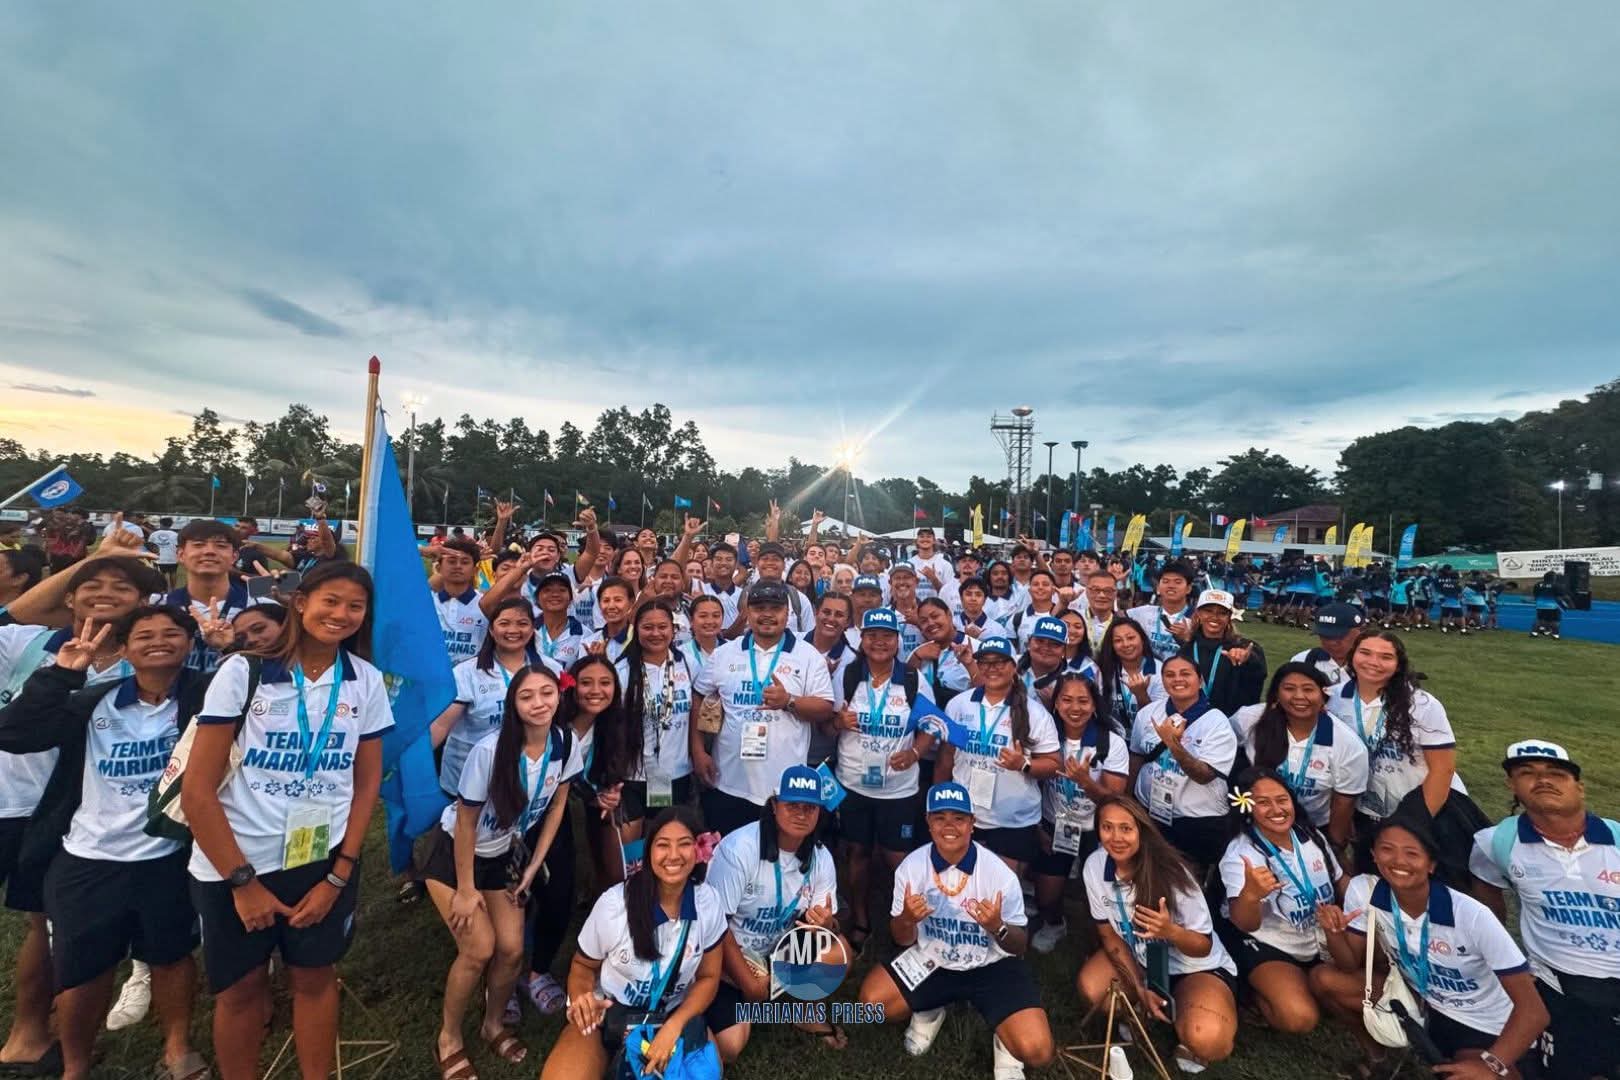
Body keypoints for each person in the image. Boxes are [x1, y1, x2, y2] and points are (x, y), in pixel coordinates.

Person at [181, 561, 395, 1080]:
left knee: (315, 977)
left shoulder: (364, 680)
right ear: (301, 602)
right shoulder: (244, 671)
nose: (341, 614)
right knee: (241, 989)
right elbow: (196, 791)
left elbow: (366, 785)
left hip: (319, 859)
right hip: (236, 862)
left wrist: (339, 874)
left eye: (355, 606)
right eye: (331, 601)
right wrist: (242, 882)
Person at [0, 606, 210, 1080]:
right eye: (144, 635)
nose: (158, 642)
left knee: (172, 954)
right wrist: (63, 673)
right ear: (123, 649)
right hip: (89, 856)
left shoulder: (205, 693)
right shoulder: (92, 701)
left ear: (190, 644)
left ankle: (177, 1048)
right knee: (81, 968)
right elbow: (13, 733)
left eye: (172, 633)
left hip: (169, 854)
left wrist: (226, 647)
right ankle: (75, 1065)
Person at [0, 552, 158, 1071]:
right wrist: (99, 559)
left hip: (73, 809)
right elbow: (14, 613)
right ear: (66, 596)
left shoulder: (148, 660)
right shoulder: (26, 644)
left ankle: (42, 1033)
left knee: (47, 922)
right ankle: (33, 1031)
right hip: (10, 802)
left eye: (123, 588)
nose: (106, 593)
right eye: (92, 586)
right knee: (40, 922)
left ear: (143, 604)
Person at [419, 663, 575, 1074]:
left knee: (511, 949)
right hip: (456, 856)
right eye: (527, 696)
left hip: (505, 854)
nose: (539, 703)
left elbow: (557, 805)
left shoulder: (565, 742)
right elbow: (466, 822)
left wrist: (533, 865)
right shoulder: (489, 751)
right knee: (479, 949)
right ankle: (449, 1037)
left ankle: (491, 1025)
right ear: (513, 705)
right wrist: (467, 890)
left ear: (559, 696)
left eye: (547, 693)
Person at [1313, 817, 1549, 1080]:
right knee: (1325, 980)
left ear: (1431, 863)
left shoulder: (1470, 915)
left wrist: (1491, 1064)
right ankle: (1377, 1060)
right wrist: (1333, 934)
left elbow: (1534, 1012)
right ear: (1374, 855)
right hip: (1423, 1005)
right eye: (1387, 849)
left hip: (1485, 1025)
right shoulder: (1365, 891)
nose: (1398, 861)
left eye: (1412, 853)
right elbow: (1348, 965)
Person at [858, 782, 1054, 1079]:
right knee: (872, 1005)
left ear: (972, 824)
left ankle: (1004, 1038)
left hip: (992, 965)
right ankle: (931, 1009)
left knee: (1037, 1050)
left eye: (959, 818)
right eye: (940, 818)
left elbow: (1019, 946)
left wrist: (997, 927)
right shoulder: (911, 868)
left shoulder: (999, 874)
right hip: (932, 960)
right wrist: (908, 919)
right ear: (928, 822)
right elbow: (902, 939)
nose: (949, 826)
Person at [1470, 740, 1620, 1080]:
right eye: (1527, 773)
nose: (1543, 781)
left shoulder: (1617, 839)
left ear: (1579, 787)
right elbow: (1488, 911)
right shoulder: (1494, 843)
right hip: (1559, 983)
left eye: (1557, 774)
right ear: (1512, 785)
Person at [541, 806, 725, 1080]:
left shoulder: (708, 902)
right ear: (648, 851)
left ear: (697, 851)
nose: (673, 855)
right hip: (610, 1014)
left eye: (684, 844)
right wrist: (581, 998)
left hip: (671, 1013)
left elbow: (709, 977)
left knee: (710, 1073)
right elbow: (581, 965)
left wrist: (673, 1027)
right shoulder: (614, 905)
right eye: (663, 845)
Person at [1079, 796, 1239, 1073]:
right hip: (1140, 957)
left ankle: (1186, 1015)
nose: (1116, 837)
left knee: (1209, 1039)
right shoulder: (1095, 866)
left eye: (1126, 829)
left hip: (1194, 967)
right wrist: (1138, 985)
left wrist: (1170, 931)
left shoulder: (1174, 874)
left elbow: (1202, 945)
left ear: (1142, 830)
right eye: (1107, 827)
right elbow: (1109, 935)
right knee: (1093, 988)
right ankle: (1142, 1004)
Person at [705, 765, 848, 1060]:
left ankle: (796, 1007)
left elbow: (827, 923)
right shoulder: (739, 850)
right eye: (792, 805)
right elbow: (716, 926)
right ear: (773, 806)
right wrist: (747, 982)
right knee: (730, 1046)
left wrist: (827, 925)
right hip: (728, 956)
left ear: (820, 811)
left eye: (810, 807)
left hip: (776, 953)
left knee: (838, 951)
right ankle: (750, 997)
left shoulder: (821, 857)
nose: (801, 813)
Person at [1324, 630, 1481, 883]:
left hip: (1428, 811)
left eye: (1385, 657)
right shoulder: (1334, 699)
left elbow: (1442, 769)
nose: (1373, 662)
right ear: (1353, 656)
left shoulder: (1421, 704)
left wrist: (1417, 821)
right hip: (1369, 811)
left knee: (1434, 886)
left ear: (1398, 664)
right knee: (1377, 885)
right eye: (1365, 653)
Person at [690, 580, 835, 835]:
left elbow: (824, 708)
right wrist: (698, 751)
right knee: (728, 858)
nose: (767, 615)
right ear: (747, 612)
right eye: (759, 608)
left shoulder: (808, 655)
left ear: (787, 613)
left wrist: (789, 701)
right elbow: (699, 696)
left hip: (784, 787)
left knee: (774, 860)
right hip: (729, 783)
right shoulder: (725, 653)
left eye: (775, 608)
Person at [834, 608, 942, 951]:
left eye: (887, 636)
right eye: (872, 635)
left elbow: (931, 724)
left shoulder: (912, 678)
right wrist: (838, 723)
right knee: (858, 855)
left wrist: (913, 754)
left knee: (900, 858)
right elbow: (827, 721)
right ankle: (862, 919)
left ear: (898, 641)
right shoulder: (847, 675)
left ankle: (907, 922)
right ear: (862, 641)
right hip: (853, 784)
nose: (879, 642)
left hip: (899, 789)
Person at [1216, 768, 1348, 1036]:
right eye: (1263, 802)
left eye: (1282, 799)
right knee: (1299, 1018)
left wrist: (1369, 905)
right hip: (1268, 943)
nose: (1276, 809)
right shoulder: (1241, 854)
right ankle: (1252, 994)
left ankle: (1300, 983)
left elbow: (1340, 879)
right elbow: (1245, 922)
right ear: (1247, 808)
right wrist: (1252, 894)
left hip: (1320, 939)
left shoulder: (1311, 836)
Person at [935, 637, 1061, 875]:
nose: (992, 668)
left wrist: (1023, 764)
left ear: (1013, 666)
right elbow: (946, 758)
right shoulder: (958, 705)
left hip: (1012, 819)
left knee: (1000, 892)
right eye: (985, 662)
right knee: (963, 884)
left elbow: (1054, 765)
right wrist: (937, 804)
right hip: (965, 812)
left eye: (1000, 662)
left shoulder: (1034, 712)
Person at [1031, 673, 1128, 953]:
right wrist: (1038, 828)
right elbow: (1030, 787)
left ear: (1095, 704)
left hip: (1098, 831)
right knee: (1046, 897)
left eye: (1083, 701)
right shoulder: (1044, 738)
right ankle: (1054, 923)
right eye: (1067, 700)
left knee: (1101, 894)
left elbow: (1115, 799)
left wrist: (1085, 782)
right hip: (1054, 825)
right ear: (1056, 705)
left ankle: (1104, 938)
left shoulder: (1110, 742)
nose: (1075, 708)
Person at [1228, 662, 1368, 846]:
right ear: (1277, 693)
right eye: (1289, 689)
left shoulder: (1348, 745)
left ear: (1324, 695)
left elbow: (1344, 803)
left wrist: (1333, 846)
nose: (1299, 697)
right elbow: (1223, 741)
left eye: (1308, 689)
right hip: (1255, 823)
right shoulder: (1250, 719)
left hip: (1312, 829)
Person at [1127, 654, 1237, 871]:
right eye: (1170, 675)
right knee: (1148, 871)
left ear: (1200, 680)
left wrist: (1173, 743)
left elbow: (1204, 775)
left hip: (1195, 819)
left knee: (1187, 882)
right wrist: (1127, 800)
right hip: (1151, 810)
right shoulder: (1149, 713)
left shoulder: (1217, 723)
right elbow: (1137, 757)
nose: (1177, 679)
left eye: (1185, 674)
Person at [431, 597, 546, 802]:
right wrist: (412, 761)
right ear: (491, 630)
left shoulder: (549, 669)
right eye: (504, 623)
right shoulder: (467, 673)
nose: (513, 630)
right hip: (468, 776)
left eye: (522, 623)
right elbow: (441, 725)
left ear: (532, 629)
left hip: (523, 774)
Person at [609, 600, 697, 850]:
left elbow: (698, 712)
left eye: (662, 627)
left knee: (664, 844)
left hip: (674, 773)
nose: (656, 634)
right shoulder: (621, 670)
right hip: (631, 775)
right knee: (632, 852)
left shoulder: (688, 664)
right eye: (648, 627)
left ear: (674, 629)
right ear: (635, 630)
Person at [163, 519, 254, 674]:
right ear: (180, 554)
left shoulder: (258, 605)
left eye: (221, 546)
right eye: (198, 545)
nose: (209, 551)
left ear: (234, 556)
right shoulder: (158, 606)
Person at [1179, 589, 1266, 716]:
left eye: (1222, 613)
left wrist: (1248, 660)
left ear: (1230, 616)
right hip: (1193, 720)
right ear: (1198, 613)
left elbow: (1259, 674)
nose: (1214, 617)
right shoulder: (1188, 648)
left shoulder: (1244, 647)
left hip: (1232, 723)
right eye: (1208, 611)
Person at [1094, 616, 1165, 733]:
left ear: (1142, 639)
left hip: (1148, 738)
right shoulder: (1104, 669)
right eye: (1118, 640)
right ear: (1112, 646)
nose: (1126, 644)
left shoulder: (1160, 671)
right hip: (1113, 739)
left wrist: (1141, 695)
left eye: (1131, 638)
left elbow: (1156, 721)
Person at [432, 538, 494, 664]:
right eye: (451, 561)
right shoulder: (426, 601)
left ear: (475, 571)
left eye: (465, 562)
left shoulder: (485, 604)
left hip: (472, 680)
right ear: (439, 568)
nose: (458, 566)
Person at [1127, 559, 1197, 662]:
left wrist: (1189, 639)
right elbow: (1115, 617)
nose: (1171, 586)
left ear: (1188, 588)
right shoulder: (1143, 613)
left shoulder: (1197, 619)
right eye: (1165, 581)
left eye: (1178, 582)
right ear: (1158, 587)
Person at [1290, 601, 1362, 692]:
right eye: (1325, 636)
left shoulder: (1373, 664)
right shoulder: (1302, 661)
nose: (1332, 642)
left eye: (1339, 636)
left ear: (1358, 632)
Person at [908, 527, 953, 601]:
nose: (925, 539)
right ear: (917, 541)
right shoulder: (909, 564)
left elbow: (949, 595)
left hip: (937, 610)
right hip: (914, 610)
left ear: (934, 541)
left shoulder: (945, 565)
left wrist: (933, 579)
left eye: (928, 536)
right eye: (922, 536)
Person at [1529, 572, 1566, 639]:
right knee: (1555, 620)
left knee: (1539, 619)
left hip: (1541, 604)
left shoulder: (1538, 584)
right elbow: (1561, 596)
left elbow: (1535, 594)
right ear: (1553, 577)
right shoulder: (1557, 585)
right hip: (1553, 605)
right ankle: (1555, 635)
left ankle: (1534, 633)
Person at [148, 517, 180, 587]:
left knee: (160, 574)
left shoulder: (154, 534)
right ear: (171, 525)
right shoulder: (175, 534)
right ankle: (173, 589)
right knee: (173, 573)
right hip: (172, 558)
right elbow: (178, 547)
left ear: (160, 524)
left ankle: (163, 589)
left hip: (158, 558)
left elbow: (150, 546)